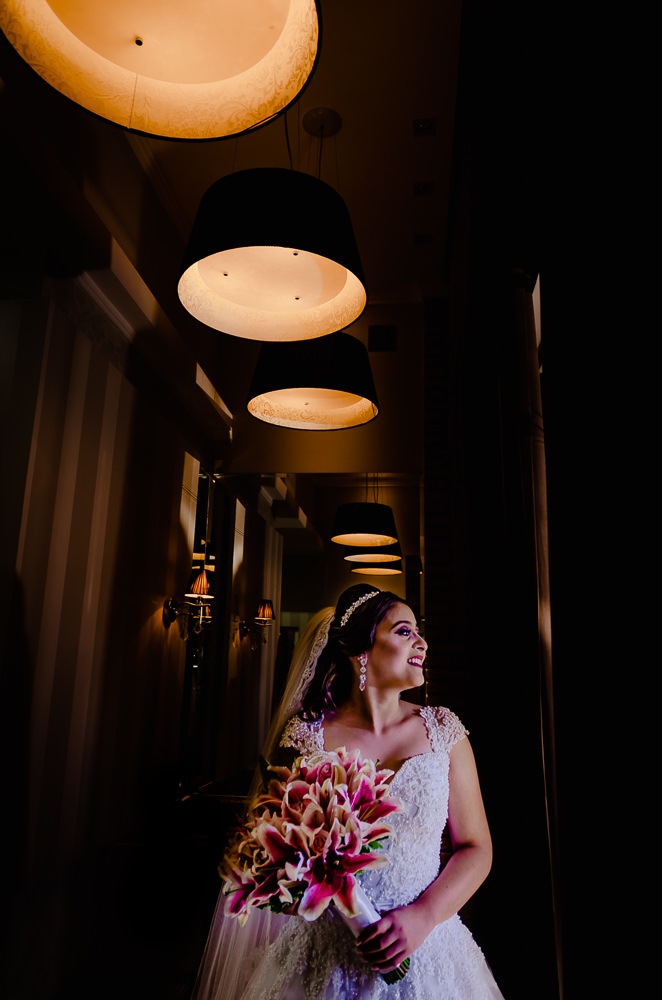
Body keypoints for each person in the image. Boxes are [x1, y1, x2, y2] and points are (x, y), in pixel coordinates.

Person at [191, 584, 505, 999]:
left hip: (430, 953)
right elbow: (274, 856)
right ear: (363, 650)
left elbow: (477, 847)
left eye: (419, 631)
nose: (422, 642)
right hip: (322, 960)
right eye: (404, 631)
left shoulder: (443, 731)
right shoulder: (304, 740)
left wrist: (424, 917)